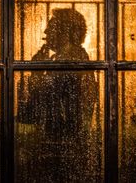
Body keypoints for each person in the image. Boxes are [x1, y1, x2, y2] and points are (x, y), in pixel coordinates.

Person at [17, 9, 101, 182]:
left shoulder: (72, 59)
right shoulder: (65, 57)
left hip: (64, 143)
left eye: (51, 27)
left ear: (66, 32)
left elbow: (44, 95)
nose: (46, 32)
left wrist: (37, 71)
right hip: (63, 138)